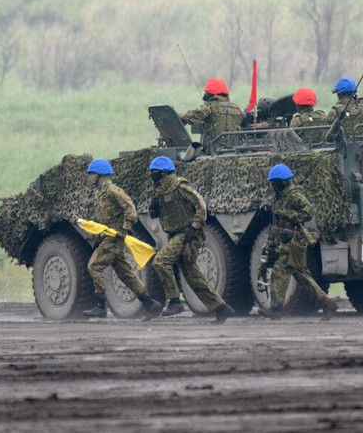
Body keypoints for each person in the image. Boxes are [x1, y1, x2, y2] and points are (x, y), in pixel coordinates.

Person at [148, 156, 235, 323]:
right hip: (175, 234)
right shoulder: (159, 189)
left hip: (186, 233)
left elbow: (201, 204)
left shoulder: (179, 186)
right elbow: (155, 215)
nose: (153, 175)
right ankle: (221, 308)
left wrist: (195, 226)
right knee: (192, 276)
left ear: (165, 173)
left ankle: (174, 301)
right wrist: (154, 207)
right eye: (152, 172)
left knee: (160, 261)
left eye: (156, 172)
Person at [81, 159, 163, 320]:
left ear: (100, 175)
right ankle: (150, 304)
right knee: (126, 274)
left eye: (91, 174)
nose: (89, 178)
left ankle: (100, 306)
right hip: (108, 236)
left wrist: (123, 230)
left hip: (115, 237)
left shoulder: (113, 191)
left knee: (94, 266)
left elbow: (130, 210)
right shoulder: (100, 193)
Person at [260, 164, 336, 321]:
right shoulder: (278, 198)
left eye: (276, 182)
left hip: (292, 243)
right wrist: (271, 243)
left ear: (284, 182)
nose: (273, 186)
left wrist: (289, 215)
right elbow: (275, 223)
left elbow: (308, 212)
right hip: (282, 242)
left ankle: (276, 308)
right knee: (303, 277)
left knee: (278, 272)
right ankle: (327, 303)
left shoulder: (294, 196)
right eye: (272, 183)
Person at [179, 78, 245, 149]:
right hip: (234, 149)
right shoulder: (237, 109)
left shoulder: (209, 107)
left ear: (211, 94)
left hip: (212, 149)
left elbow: (190, 116)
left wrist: (178, 116)